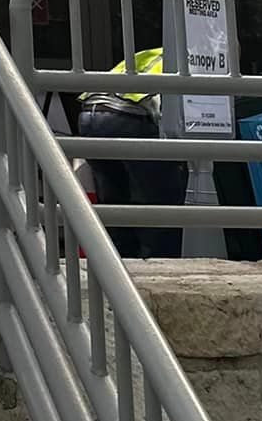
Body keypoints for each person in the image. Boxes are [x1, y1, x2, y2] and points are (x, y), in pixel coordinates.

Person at [78, 18, 183, 258]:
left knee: (114, 197)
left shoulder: (150, 55)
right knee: (158, 199)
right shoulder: (192, 63)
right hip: (129, 116)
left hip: (90, 114)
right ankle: (160, 263)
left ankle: (118, 261)